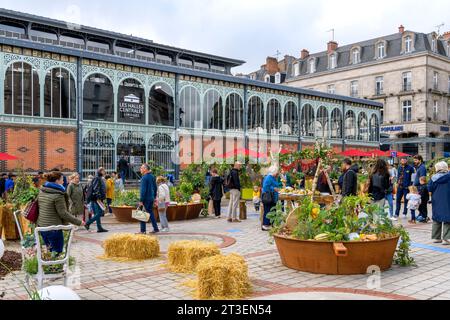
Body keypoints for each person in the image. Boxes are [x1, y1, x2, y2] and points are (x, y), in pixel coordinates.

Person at [37, 171, 84, 253]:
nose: (63, 181)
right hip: (53, 228)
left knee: (49, 251)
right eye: (62, 179)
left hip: (42, 226)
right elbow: (63, 213)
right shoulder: (58, 194)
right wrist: (79, 222)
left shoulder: (42, 191)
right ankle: (55, 266)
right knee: (57, 251)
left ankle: (49, 265)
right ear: (57, 181)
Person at [428, 161, 450, 245]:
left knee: (436, 218)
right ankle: (446, 238)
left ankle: (436, 238)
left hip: (436, 200)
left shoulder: (433, 178)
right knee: (447, 218)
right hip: (448, 199)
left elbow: (429, 188)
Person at [85, 168, 108, 233]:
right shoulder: (97, 178)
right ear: (100, 171)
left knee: (96, 213)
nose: (105, 172)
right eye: (103, 171)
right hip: (96, 199)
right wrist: (98, 197)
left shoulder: (99, 178)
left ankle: (99, 228)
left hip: (96, 198)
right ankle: (87, 223)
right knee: (100, 212)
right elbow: (96, 189)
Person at [138, 163, 159, 234]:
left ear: (145, 169)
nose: (140, 169)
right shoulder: (152, 176)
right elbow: (155, 188)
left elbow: (143, 190)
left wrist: (141, 200)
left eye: (141, 168)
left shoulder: (144, 178)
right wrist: (155, 197)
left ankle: (142, 230)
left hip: (146, 199)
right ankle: (156, 228)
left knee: (142, 213)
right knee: (150, 213)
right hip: (151, 198)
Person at [261, 166, 280, 231]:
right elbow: (265, 187)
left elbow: (275, 184)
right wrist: (274, 188)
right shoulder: (268, 177)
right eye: (276, 171)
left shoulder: (273, 177)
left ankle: (270, 224)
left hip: (273, 197)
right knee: (267, 211)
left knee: (272, 210)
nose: (277, 172)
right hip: (268, 197)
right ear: (274, 171)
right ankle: (265, 225)